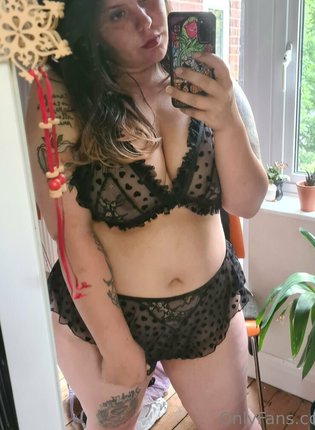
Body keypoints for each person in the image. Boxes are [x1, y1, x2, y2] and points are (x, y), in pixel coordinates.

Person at [25, 0, 268, 429]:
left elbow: (246, 203)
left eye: (145, 0)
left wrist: (227, 118)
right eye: (117, 13)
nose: (144, 19)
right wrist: (119, 351)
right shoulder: (62, 96)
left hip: (207, 305)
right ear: (88, 30)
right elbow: (71, 232)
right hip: (106, 318)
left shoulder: (208, 81)